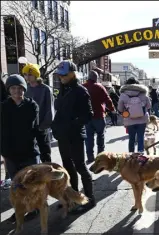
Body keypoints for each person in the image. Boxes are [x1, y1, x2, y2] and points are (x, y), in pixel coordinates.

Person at [51, 60, 96, 213]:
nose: (61, 78)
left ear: (72, 74)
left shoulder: (81, 91)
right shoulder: (62, 89)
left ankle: (90, 199)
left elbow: (88, 115)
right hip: (63, 136)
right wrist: (56, 128)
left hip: (75, 136)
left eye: (64, 75)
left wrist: (72, 125)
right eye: (60, 75)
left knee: (80, 167)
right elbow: (59, 112)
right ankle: (74, 196)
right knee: (68, 167)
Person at [1, 74, 44, 221]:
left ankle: (33, 208)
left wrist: (44, 151)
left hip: (29, 151)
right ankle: (20, 209)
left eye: (20, 88)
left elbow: (36, 129)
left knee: (31, 183)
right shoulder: (3, 107)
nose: (16, 91)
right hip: (11, 153)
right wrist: (4, 152)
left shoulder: (32, 106)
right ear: (9, 90)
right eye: (13, 88)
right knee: (16, 185)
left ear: (24, 90)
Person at [23, 63, 54, 163]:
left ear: (36, 75)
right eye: (25, 74)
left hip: (42, 127)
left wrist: (43, 126)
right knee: (31, 155)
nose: (27, 77)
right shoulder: (24, 89)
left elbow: (50, 109)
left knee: (45, 154)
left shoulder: (45, 89)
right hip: (29, 127)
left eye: (30, 74)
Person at [83, 71, 116, 163]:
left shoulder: (82, 87)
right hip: (99, 115)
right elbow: (107, 99)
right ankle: (100, 157)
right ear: (96, 78)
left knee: (88, 137)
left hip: (87, 117)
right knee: (100, 136)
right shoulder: (99, 87)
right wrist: (112, 109)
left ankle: (90, 157)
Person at [117, 77, 151, 153]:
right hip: (142, 120)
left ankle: (131, 157)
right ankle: (140, 157)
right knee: (140, 138)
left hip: (129, 121)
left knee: (131, 139)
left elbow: (120, 109)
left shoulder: (123, 94)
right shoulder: (143, 93)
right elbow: (149, 106)